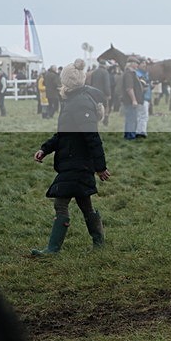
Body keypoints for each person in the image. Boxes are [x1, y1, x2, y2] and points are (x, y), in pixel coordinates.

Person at [31, 59, 110, 255]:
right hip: (73, 161)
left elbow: (92, 137)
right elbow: (63, 134)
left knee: (61, 203)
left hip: (77, 162)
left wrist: (100, 167)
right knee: (85, 204)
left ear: (68, 81)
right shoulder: (73, 100)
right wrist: (45, 149)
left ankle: (52, 249)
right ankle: (99, 243)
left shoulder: (80, 103)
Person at [121, 57, 142, 139]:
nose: (137, 65)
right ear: (131, 63)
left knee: (130, 119)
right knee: (131, 119)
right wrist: (134, 100)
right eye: (136, 63)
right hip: (130, 101)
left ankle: (128, 136)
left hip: (128, 101)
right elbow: (129, 88)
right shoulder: (129, 74)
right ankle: (130, 137)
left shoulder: (130, 73)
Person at [88, 60, 112, 125]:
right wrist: (108, 94)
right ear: (104, 65)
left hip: (94, 93)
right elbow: (106, 84)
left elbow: (91, 83)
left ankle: (96, 120)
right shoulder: (105, 72)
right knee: (106, 106)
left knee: (96, 107)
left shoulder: (94, 72)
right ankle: (105, 119)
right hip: (102, 93)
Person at [135, 59, 152, 137]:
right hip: (142, 97)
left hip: (146, 96)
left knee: (143, 115)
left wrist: (151, 87)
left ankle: (140, 131)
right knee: (143, 115)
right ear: (138, 65)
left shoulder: (146, 74)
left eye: (145, 63)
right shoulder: (138, 74)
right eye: (142, 63)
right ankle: (141, 132)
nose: (144, 65)